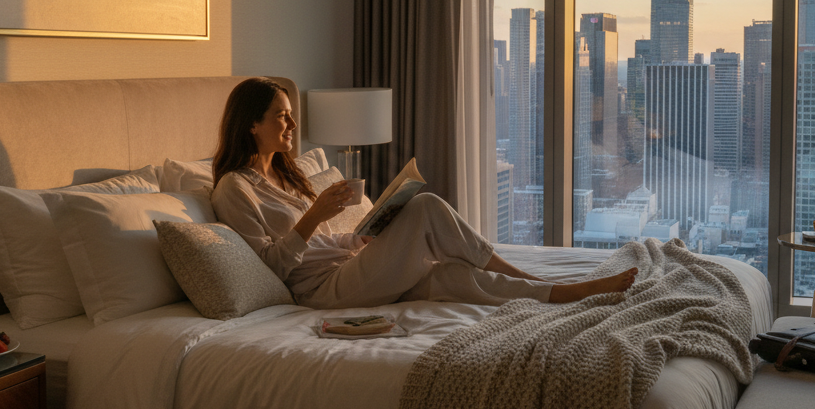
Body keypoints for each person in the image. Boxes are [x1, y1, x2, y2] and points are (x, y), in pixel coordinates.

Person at [209, 77, 637, 309]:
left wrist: (359, 236)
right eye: (281, 117)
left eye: (290, 115)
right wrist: (314, 215)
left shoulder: (291, 174)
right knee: (427, 206)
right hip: (324, 291)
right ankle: (528, 277)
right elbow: (269, 267)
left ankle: (564, 294)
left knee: (459, 278)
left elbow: (321, 242)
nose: (292, 125)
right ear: (251, 123)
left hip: (354, 265)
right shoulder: (235, 189)